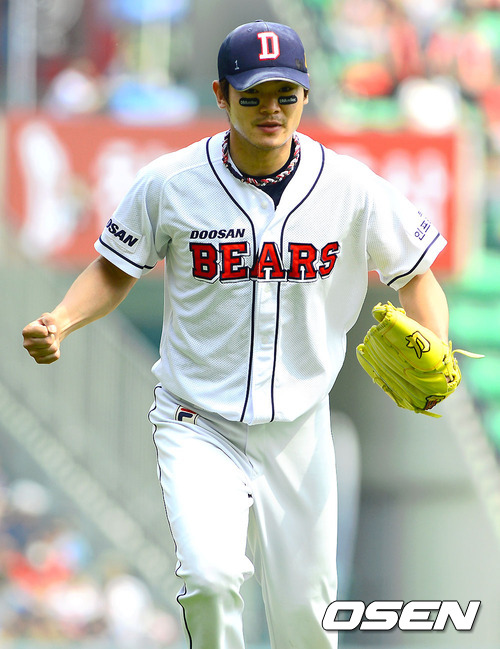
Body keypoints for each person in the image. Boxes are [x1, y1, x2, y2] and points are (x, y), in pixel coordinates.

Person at [22, 20, 450, 649]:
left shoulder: (351, 187)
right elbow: (115, 269)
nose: (271, 109)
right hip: (198, 420)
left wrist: (435, 340)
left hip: (301, 426)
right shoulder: (171, 181)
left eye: (285, 94)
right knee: (210, 577)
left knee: (308, 615)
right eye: (253, 96)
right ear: (222, 96)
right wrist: (61, 319)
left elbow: (418, 275)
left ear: (305, 95)